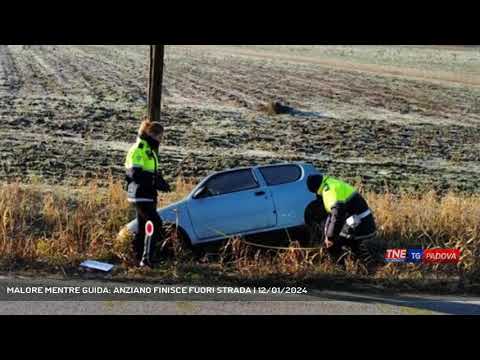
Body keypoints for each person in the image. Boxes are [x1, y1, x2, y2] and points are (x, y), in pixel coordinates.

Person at [125, 119, 171, 268]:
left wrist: (161, 181)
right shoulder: (140, 148)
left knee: (144, 226)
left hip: (146, 194)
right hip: (140, 194)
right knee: (155, 224)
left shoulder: (149, 149)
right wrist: (154, 181)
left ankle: (137, 258)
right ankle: (147, 260)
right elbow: (135, 173)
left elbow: (151, 172)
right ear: (151, 134)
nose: (160, 141)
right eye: (160, 137)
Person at [306, 174, 377, 266]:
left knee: (334, 245)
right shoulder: (329, 183)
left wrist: (330, 238)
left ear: (315, 189)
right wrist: (327, 235)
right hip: (361, 221)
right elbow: (331, 216)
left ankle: (341, 269)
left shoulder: (330, 192)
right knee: (351, 244)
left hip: (361, 224)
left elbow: (337, 216)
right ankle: (365, 265)